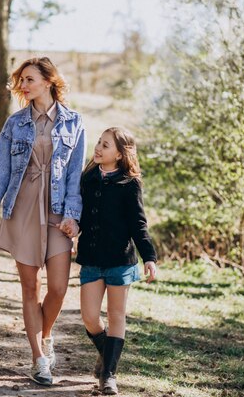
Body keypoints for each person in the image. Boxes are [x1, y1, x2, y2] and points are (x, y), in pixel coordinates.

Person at [0, 57, 86, 385]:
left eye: (29, 79)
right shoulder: (15, 123)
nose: (23, 86)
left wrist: (74, 217)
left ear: (48, 81)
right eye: (21, 81)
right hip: (23, 208)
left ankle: (45, 335)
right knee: (30, 286)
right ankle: (38, 358)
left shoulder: (74, 122)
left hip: (58, 211)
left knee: (59, 288)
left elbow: (75, 176)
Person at [76, 127, 157, 395]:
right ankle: (106, 351)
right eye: (99, 142)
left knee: (116, 315)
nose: (98, 148)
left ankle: (108, 376)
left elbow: (139, 224)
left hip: (120, 261)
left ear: (121, 154)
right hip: (91, 257)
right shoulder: (88, 178)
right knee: (89, 318)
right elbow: (79, 214)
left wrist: (149, 257)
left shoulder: (129, 183)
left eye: (106, 145)